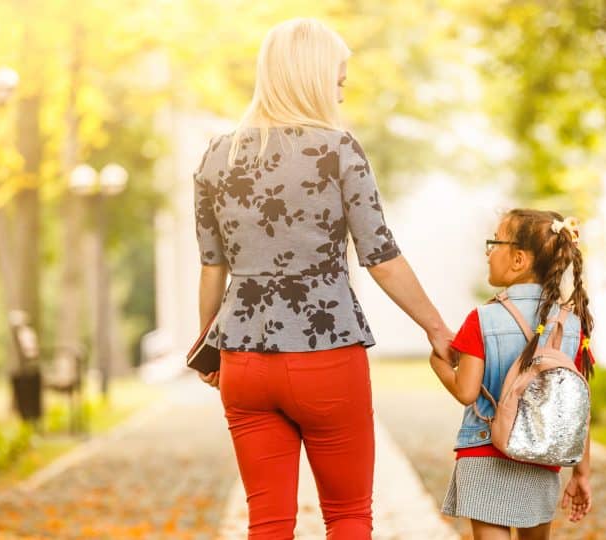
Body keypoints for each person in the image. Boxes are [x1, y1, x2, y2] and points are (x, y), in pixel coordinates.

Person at [192, 18, 454, 540]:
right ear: (311, 77)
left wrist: (208, 343)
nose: (342, 86)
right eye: (338, 76)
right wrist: (434, 327)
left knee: (266, 524)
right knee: (349, 517)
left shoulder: (217, 155)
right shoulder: (339, 149)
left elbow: (211, 266)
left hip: (244, 361)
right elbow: (380, 256)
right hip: (327, 353)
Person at [429, 209, 595, 540]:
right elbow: (578, 409)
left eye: (495, 243)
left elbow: (466, 391)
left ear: (518, 259)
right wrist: (582, 473)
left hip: (485, 452)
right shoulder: (573, 325)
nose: (488, 252)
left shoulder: (483, 318)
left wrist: (438, 363)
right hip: (541, 457)